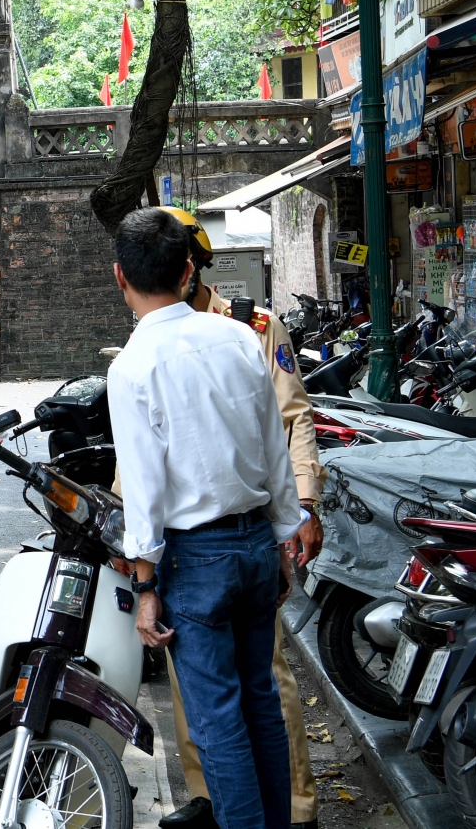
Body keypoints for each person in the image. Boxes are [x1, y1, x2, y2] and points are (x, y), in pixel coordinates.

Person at [108, 207, 302, 829]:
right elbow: (276, 448)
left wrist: (143, 588)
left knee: (218, 720)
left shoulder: (134, 367)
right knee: (261, 704)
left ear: (120, 278)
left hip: (196, 561)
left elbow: (143, 492)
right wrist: (282, 538)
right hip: (251, 545)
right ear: (189, 270)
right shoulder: (241, 339)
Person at [158, 208, 324, 829]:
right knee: (192, 682)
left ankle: (295, 803)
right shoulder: (155, 331)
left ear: (191, 267)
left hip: (248, 526)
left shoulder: (255, 327)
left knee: (264, 680)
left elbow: (293, 416)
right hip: (183, 534)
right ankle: (211, 798)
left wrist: (304, 504)